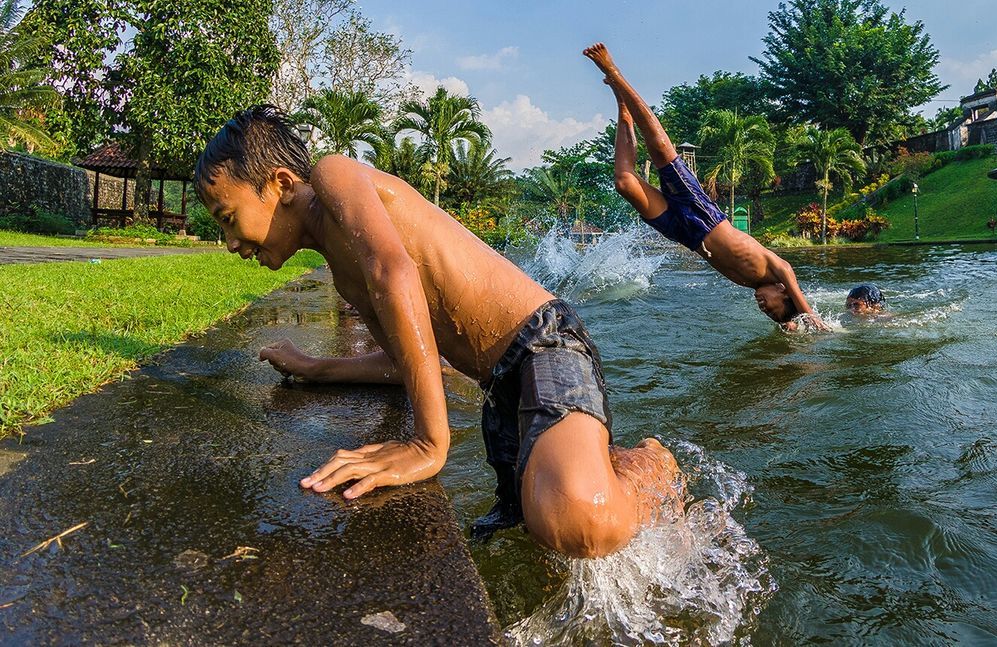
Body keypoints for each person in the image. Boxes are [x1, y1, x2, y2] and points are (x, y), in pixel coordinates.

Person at [194, 105, 680, 558]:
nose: (231, 242)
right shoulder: (344, 274)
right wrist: (317, 368)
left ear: (279, 183)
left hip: (544, 342)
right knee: (530, 530)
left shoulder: (332, 174)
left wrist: (429, 443)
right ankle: (594, 457)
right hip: (502, 383)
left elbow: (394, 271)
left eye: (228, 219)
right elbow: (401, 359)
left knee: (581, 522)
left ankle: (651, 465)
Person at [583, 42, 827, 331]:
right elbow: (802, 301)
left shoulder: (752, 282)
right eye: (774, 311)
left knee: (625, 183)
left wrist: (789, 326)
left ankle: (622, 105)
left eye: (769, 317)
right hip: (704, 216)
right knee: (660, 149)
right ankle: (615, 72)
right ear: (784, 293)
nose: (765, 311)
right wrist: (810, 318)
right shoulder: (777, 270)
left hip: (683, 232)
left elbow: (791, 320)